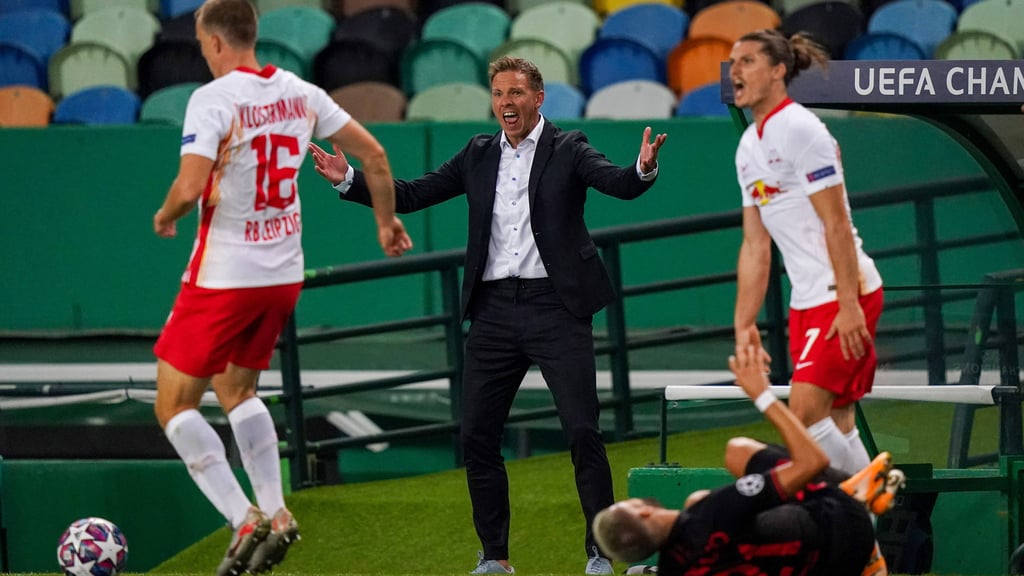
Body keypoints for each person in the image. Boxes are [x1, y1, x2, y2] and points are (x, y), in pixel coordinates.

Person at [309, 56, 667, 574]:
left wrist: (644, 168)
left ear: (538, 98)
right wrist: (349, 180)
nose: (506, 103)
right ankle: (495, 558)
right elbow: (410, 195)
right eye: (498, 94)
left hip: (557, 308)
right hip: (495, 313)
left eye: (516, 93)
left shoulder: (569, 148)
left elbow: (619, 182)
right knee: (476, 435)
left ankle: (601, 552)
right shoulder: (476, 154)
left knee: (582, 432)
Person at [150, 2, 411, 575]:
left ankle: (243, 516)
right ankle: (277, 511)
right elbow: (375, 154)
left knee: (172, 406)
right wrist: (385, 222)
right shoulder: (300, 91)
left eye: (200, 44)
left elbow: (191, 186)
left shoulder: (212, 98)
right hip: (282, 274)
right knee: (236, 390)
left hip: (224, 277)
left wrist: (166, 213)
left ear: (215, 43)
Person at [592, 345, 904, 576]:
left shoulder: (675, 568)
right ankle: (852, 492)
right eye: (628, 504)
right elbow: (811, 461)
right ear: (644, 512)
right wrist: (762, 395)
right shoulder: (712, 512)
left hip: (825, 570)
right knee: (738, 450)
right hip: (846, 528)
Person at [730, 29, 884, 477]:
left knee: (804, 413)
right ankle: (868, 535)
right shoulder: (748, 146)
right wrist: (744, 325)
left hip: (843, 294)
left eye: (748, 60)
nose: (736, 69)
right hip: (807, 301)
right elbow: (756, 245)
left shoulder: (800, 129)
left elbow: (836, 222)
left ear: (779, 71)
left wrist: (850, 302)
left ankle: (875, 509)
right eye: (734, 60)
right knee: (837, 420)